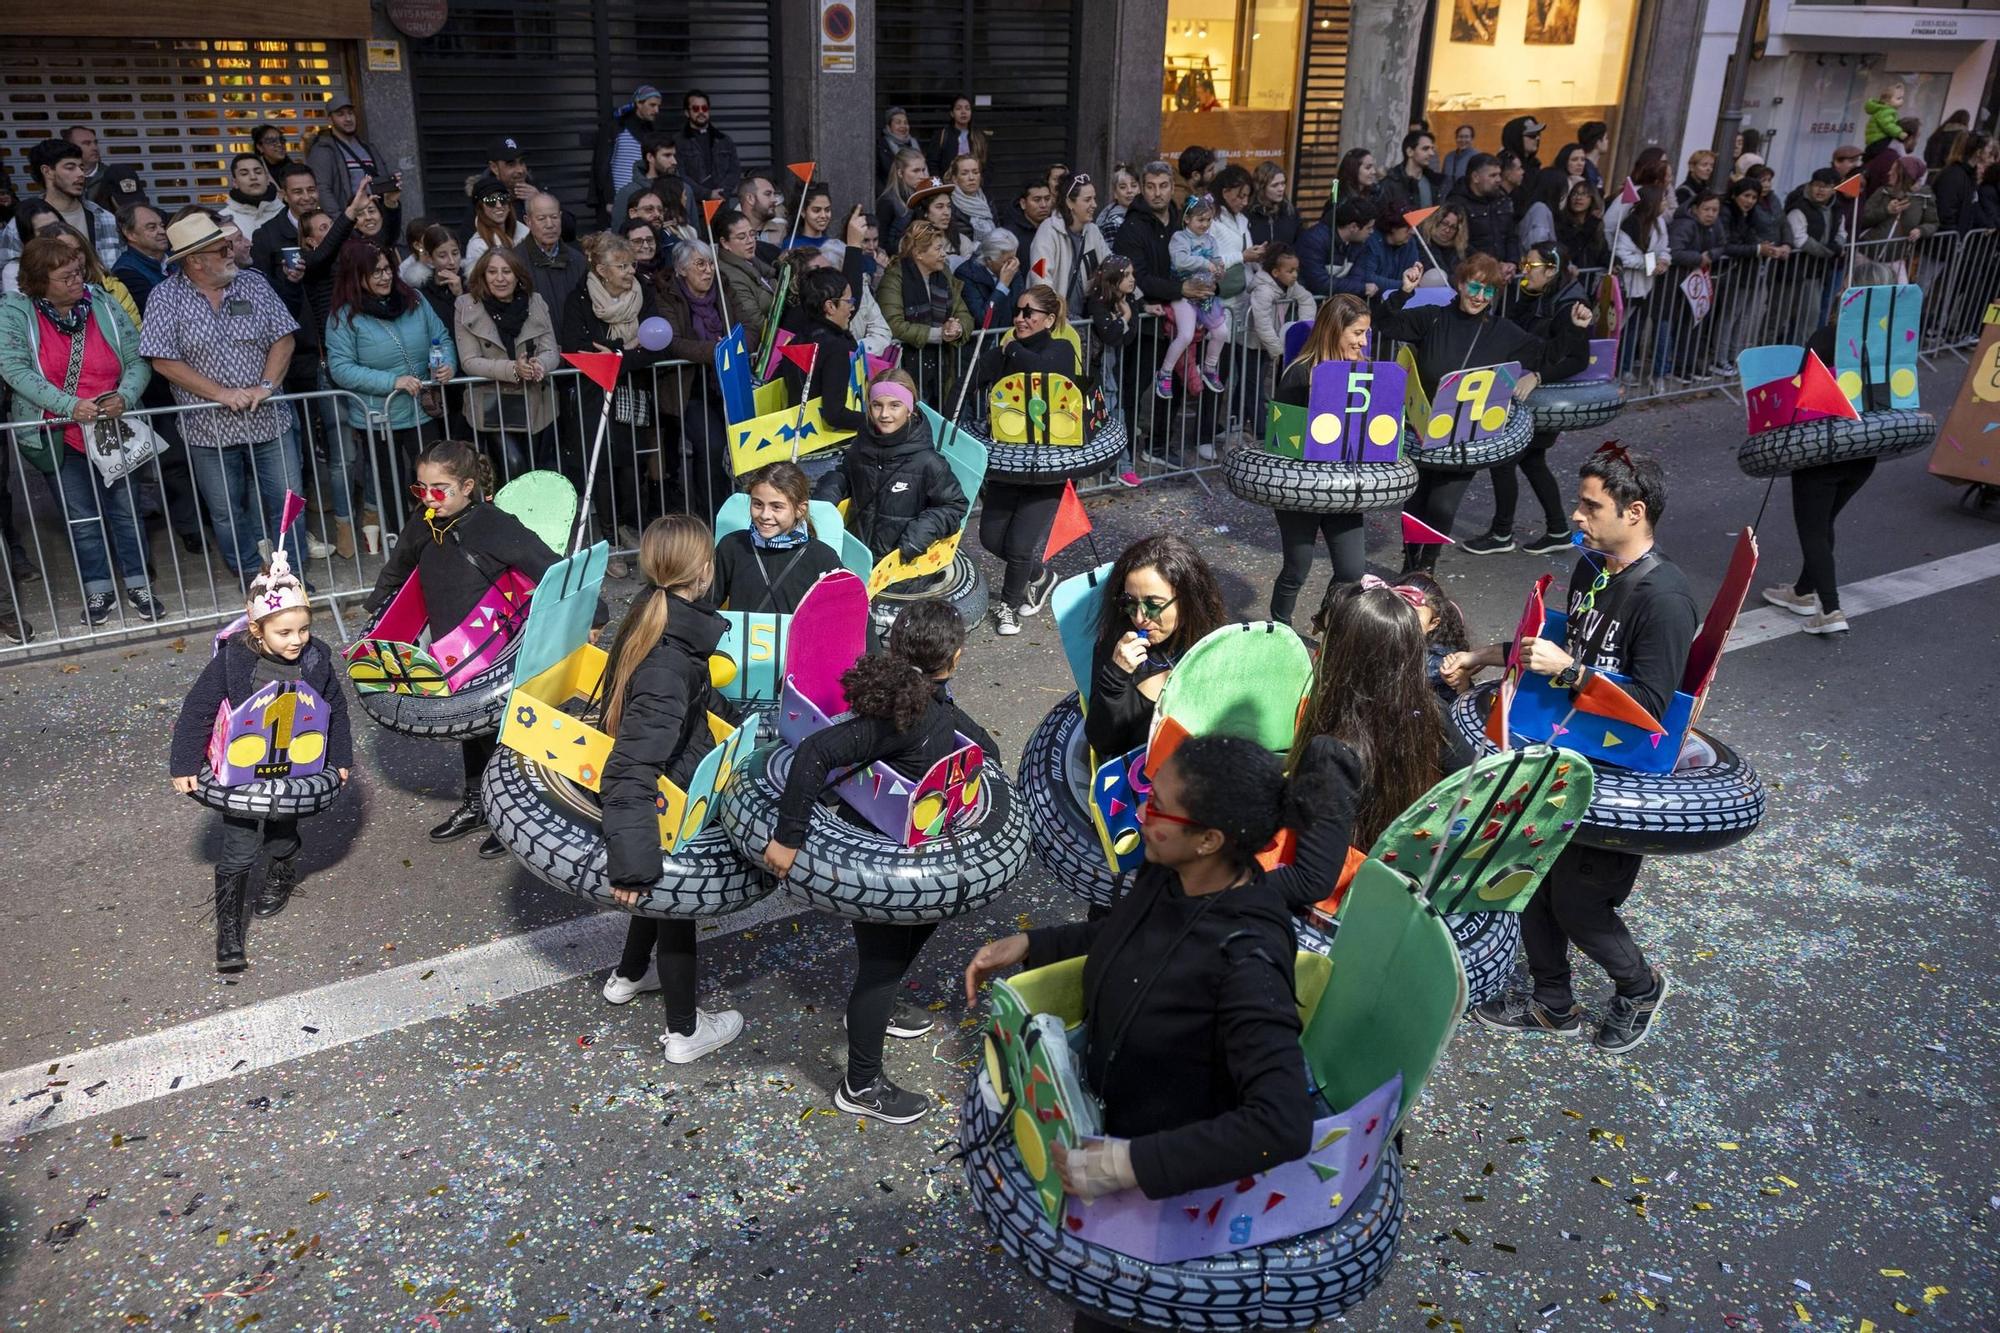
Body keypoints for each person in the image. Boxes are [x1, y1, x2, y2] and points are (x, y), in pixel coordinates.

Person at [960, 732, 1363, 1318]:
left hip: (1171, 1200)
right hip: (1110, 1131)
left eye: (1158, 806)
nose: (1141, 811)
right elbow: (1124, 938)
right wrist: (1030, 943)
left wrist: (1128, 1165)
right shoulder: (1167, 873)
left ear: (1209, 839)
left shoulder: (1247, 955)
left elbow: (1280, 1123)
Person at [1451, 444, 1688, 1053]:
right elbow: (1551, 645)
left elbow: (1653, 708)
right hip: (1560, 752)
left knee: (1581, 904)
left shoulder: (1663, 599)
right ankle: (1553, 1001)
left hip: (1618, 772)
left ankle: (1639, 986)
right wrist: (1485, 656)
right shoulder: (1591, 568)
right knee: (1529, 878)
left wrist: (1571, 675)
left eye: (1591, 506)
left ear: (1634, 513)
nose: (1576, 517)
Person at [749, 600, 984, 1120]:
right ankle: (860, 1085)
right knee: (880, 968)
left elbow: (961, 727)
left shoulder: (928, 698)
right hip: (881, 860)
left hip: (921, 847)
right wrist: (790, 837)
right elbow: (814, 753)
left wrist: (981, 751)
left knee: (912, 937)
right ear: (956, 656)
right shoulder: (904, 717)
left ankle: (881, 1010)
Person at [593, 514, 746, 1062]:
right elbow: (631, 765)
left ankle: (631, 973)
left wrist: (744, 721)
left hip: (673, 771)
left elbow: (694, 699)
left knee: (663, 896)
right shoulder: (667, 658)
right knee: (673, 898)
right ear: (703, 571)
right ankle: (684, 1032)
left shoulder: (657, 616)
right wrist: (632, 863)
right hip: (669, 791)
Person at [364, 440, 561, 858]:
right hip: (449, 651)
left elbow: (546, 565)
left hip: (494, 649)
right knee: (468, 731)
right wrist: (374, 628)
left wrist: (592, 616)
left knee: (502, 735)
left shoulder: (494, 524)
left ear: (468, 485)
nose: (429, 498)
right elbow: (397, 570)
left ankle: (511, 816)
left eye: (440, 489)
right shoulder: (424, 520)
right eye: (421, 489)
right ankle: (477, 806)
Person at [169, 548, 352, 971]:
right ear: (256, 628)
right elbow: (198, 709)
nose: (296, 640)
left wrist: (340, 756)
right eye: (285, 632)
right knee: (238, 847)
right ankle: (229, 932)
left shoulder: (316, 658)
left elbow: (335, 708)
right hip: (242, 771)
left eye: (304, 629)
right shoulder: (234, 660)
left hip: (293, 768)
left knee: (282, 837)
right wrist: (183, 764)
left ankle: (283, 871)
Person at [1371, 254, 1591, 571]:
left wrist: (1575, 328)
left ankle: (1426, 569)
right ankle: (1409, 564)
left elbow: (1547, 354)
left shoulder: (1504, 332)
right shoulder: (1432, 318)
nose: (1478, 297)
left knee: (1442, 505)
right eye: (1474, 287)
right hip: (1421, 430)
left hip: (1465, 436)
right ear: (1461, 284)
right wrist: (1404, 291)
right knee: (1416, 501)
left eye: (1487, 291)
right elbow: (1383, 324)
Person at [0, 236, 162, 625]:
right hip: (58, 432)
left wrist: (125, 395)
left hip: (113, 426)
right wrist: (70, 407)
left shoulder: (102, 302)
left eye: (78, 272)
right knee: (81, 517)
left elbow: (137, 357)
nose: (78, 281)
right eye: (66, 277)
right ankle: (98, 589)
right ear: (39, 282)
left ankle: (139, 584)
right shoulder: (14, 311)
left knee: (126, 510)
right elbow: (13, 368)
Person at [140, 213, 305, 583]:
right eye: (222, 248)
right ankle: (250, 576)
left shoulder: (254, 285)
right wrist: (221, 394)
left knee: (287, 504)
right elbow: (162, 360)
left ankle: (289, 576)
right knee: (226, 510)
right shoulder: (165, 297)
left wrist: (265, 386)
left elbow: (284, 338)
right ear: (195, 259)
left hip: (269, 420)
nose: (232, 251)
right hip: (206, 428)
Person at [1296, 579, 1470, 847]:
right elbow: (1474, 778)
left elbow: (1315, 875)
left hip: (1355, 866)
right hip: (1404, 857)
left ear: (1341, 654)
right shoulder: (1432, 710)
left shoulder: (1331, 748)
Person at [1758, 314, 1886, 637]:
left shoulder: (1828, 337)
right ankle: (1803, 591)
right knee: (1823, 521)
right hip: (1865, 449)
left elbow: (1803, 385)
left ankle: (1830, 609)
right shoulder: (1887, 340)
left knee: (1814, 528)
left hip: (1823, 449)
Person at [1461, 243, 1592, 557]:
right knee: (1532, 461)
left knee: (1505, 460)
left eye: (1531, 266)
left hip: (1539, 398)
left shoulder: (1570, 305)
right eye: (1524, 263)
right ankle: (1558, 529)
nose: (1525, 270)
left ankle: (1502, 533)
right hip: (1523, 395)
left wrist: (1538, 377)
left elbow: (1577, 358)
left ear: (1550, 270)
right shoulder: (1536, 295)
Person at [560, 233, 676, 559]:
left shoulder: (644, 292)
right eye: (621, 266)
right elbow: (576, 347)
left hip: (631, 394)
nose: (629, 272)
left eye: (631, 265)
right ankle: (609, 540)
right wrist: (626, 348)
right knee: (603, 467)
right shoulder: (579, 300)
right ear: (600, 269)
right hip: (593, 396)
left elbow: (659, 344)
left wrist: (617, 355)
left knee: (629, 464)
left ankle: (627, 529)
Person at [969, 285, 1077, 634]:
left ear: (1048, 318)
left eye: (1028, 313)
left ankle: (1009, 607)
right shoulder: (1007, 351)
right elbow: (970, 378)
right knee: (990, 537)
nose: (1018, 318)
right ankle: (1040, 576)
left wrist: (1011, 348)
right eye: (1016, 311)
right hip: (1008, 465)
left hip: (1047, 467)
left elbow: (1040, 368)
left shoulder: (1060, 349)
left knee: (1018, 544)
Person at [1263, 294, 1374, 620]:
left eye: (1365, 333)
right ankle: (1278, 633)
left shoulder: (1363, 373)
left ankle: (1326, 622)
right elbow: (1283, 438)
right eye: (1357, 333)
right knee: (1297, 568)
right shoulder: (1298, 374)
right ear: (1333, 330)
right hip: (1300, 488)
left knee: (1352, 571)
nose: (1363, 342)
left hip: (1343, 485)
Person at [325, 238, 456, 503]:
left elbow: (440, 335)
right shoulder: (343, 316)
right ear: (356, 276)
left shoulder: (414, 299)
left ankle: (438, 536)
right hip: (379, 416)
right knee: (391, 485)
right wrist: (392, 381)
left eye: (387, 269)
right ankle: (401, 537)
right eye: (375, 272)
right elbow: (341, 368)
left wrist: (448, 364)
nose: (385, 277)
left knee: (435, 479)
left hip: (423, 410)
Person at [813, 364, 966, 584]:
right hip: (858, 556)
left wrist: (917, 536)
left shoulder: (928, 461)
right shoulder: (862, 443)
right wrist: (824, 501)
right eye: (877, 405)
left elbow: (954, 505)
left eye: (895, 405)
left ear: (910, 408)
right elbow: (846, 474)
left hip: (902, 566)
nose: (884, 414)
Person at [1082, 532, 1226, 759]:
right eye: (1129, 603)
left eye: (1152, 605)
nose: (1139, 617)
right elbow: (1102, 743)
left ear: (1188, 599)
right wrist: (1115, 676)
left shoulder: (1215, 641)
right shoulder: (1116, 646)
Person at [454, 247, 558, 481]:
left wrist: (540, 364)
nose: (499, 278)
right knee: (512, 465)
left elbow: (551, 349)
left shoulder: (536, 302)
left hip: (536, 401)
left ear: (518, 275)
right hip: (493, 405)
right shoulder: (466, 305)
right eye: (492, 272)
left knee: (537, 470)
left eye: (506, 271)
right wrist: (513, 369)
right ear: (482, 275)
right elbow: (469, 361)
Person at [710, 460, 841, 613]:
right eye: (757, 504)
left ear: (800, 509)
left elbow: (854, 613)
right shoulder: (732, 547)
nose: (765, 515)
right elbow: (704, 604)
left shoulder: (822, 558)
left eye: (776, 507)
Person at [876, 220, 972, 396]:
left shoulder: (945, 275)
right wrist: (938, 334)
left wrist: (957, 329)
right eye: (938, 249)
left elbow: (963, 313)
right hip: (906, 368)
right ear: (919, 253)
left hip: (942, 367)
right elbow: (893, 324)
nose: (944, 254)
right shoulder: (894, 279)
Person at [0, 140, 122, 270]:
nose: (81, 174)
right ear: (47, 171)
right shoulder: (19, 224)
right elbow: (10, 277)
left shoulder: (105, 219)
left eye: (81, 167)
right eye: (70, 167)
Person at [1159, 196, 1229, 398]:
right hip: (1184, 294)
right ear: (1187, 219)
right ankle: (1164, 373)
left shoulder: (1211, 240)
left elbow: (1216, 260)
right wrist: (1205, 263)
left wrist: (1219, 270)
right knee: (1186, 335)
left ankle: (1209, 368)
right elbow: (1180, 261)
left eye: (1208, 220)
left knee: (1222, 332)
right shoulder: (1179, 238)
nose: (1205, 224)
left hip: (1205, 294)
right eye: (1200, 220)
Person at [1030, 170, 1108, 317]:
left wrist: (1139, 300)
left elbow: (1110, 265)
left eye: (1094, 199)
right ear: (1069, 202)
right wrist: (1055, 312)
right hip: (1052, 319)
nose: (1094, 205)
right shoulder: (1048, 231)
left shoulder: (1093, 231)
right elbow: (1040, 274)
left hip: (1082, 318)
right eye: (1087, 200)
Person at [1615, 185, 1672, 377]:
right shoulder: (1630, 224)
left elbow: (1664, 247)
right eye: (1663, 200)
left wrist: (1664, 260)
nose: (1666, 203)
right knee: (1619, 328)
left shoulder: (1659, 222)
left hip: (1646, 286)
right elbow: (1623, 255)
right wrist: (1650, 264)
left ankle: (1625, 367)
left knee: (1635, 329)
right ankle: (1614, 368)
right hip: (1628, 285)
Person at [1396, 568, 1472, 711]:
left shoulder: (1441, 664)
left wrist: (1462, 686)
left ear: (1433, 624)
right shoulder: (1374, 637)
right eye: (1400, 609)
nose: (1405, 619)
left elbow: (1456, 713)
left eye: (1414, 615)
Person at [710, 207, 779, 356]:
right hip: (764, 348)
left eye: (752, 234)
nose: (750, 241)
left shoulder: (752, 261)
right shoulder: (729, 275)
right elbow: (755, 321)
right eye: (741, 237)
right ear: (725, 243)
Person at [1246, 242, 1315, 379]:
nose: (1295, 275)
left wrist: (1303, 328)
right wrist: (1279, 351)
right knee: (1252, 382)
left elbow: (1306, 299)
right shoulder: (1263, 291)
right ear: (1275, 272)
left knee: (1261, 379)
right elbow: (1263, 324)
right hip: (1253, 344)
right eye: (1290, 271)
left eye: (1296, 270)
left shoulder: (1291, 285)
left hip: (1270, 342)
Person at [305, 101, 385, 215]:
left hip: (375, 218)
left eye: (350, 113)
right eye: (340, 114)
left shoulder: (367, 147)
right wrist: (341, 222)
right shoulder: (323, 149)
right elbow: (322, 189)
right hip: (349, 221)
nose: (348, 118)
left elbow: (382, 179)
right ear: (330, 119)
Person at [1448, 154, 1521, 271]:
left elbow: (1511, 236)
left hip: (1504, 272)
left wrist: (1512, 263)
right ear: (1476, 177)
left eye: (1499, 174)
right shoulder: (1457, 203)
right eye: (1492, 175)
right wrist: (1492, 265)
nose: (1498, 180)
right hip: (1473, 272)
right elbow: (1460, 242)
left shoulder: (1502, 200)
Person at [1296, 195, 1378, 298]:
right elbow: (1318, 282)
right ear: (1353, 227)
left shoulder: (1360, 244)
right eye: (1369, 228)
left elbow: (1357, 278)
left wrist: (1356, 287)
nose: (1372, 232)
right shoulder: (1314, 240)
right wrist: (1361, 288)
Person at [613, 132, 697, 231]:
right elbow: (618, 236)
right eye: (667, 155)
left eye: (674, 155)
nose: (674, 161)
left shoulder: (685, 189)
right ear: (650, 157)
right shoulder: (628, 193)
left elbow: (694, 232)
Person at [676, 88, 743, 202]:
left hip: (722, 203)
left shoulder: (724, 140)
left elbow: (735, 170)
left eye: (705, 108)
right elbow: (679, 174)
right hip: (694, 205)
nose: (701, 112)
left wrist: (722, 193)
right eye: (696, 109)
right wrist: (707, 194)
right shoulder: (678, 142)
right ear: (687, 113)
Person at [63, 124, 145, 214]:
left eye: (95, 142)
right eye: (86, 143)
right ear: (70, 147)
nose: (94, 148)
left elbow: (133, 211)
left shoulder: (113, 175)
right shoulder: (62, 178)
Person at [955, 227, 1022, 329]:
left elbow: (1018, 309)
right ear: (989, 260)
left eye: (1013, 258)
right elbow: (983, 320)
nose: (1012, 264)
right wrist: (1002, 286)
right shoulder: (966, 274)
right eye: (1005, 261)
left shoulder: (1012, 270)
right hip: (982, 341)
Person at [463, 175, 530, 275]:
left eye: (503, 199)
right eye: (491, 201)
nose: (499, 206)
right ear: (480, 208)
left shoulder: (526, 233)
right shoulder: (478, 246)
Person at [400, 224, 465, 327]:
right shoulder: (422, 290)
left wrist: (460, 295)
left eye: (455, 253)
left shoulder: (472, 282)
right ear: (429, 258)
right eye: (442, 256)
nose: (452, 261)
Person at [606, 84, 663, 200]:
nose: (656, 110)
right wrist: (609, 199)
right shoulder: (618, 128)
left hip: (645, 199)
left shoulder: (652, 132)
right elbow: (603, 166)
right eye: (652, 105)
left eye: (658, 106)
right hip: (620, 198)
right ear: (639, 103)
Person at [1934, 134, 1996, 232]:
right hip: (1946, 240)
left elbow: (1973, 206)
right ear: (1978, 152)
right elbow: (1946, 211)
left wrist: (1987, 224)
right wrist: (1953, 238)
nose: (1991, 154)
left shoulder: (1971, 176)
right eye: (1989, 149)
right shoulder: (1953, 175)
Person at [1357, 209, 1423, 295]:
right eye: (1408, 227)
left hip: (1400, 298)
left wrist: (1411, 281)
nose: (1413, 232)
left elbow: (1413, 272)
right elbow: (1368, 277)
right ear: (1394, 227)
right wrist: (1404, 285)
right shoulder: (1371, 241)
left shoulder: (1410, 243)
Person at [222, 154, 284, 240]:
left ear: (267, 178)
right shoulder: (224, 220)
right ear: (235, 183)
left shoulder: (287, 213)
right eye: (244, 174)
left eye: (258, 172)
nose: (253, 177)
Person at [1552, 180, 1610, 271]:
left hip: (1586, 280)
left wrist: (1614, 262)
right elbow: (1571, 249)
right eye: (1575, 194)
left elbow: (1602, 252)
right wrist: (1590, 226)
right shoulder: (1561, 222)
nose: (1578, 198)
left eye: (1584, 194)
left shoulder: (1595, 224)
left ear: (1592, 199)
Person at [1383, 129, 1446, 212]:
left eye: (1432, 149)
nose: (1431, 153)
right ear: (1410, 152)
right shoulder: (1391, 183)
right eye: (1425, 149)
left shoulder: (1435, 183)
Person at [927, 96, 991, 177]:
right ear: (952, 113)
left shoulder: (979, 136)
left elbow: (988, 165)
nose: (963, 112)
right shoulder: (942, 135)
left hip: (974, 186)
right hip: (948, 186)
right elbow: (932, 163)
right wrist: (940, 185)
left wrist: (981, 184)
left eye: (967, 109)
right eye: (958, 108)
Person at [877, 148, 930, 245]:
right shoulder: (888, 201)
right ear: (900, 173)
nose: (922, 176)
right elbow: (881, 243)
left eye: (923, 170)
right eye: (915, 171)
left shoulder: (923, 198)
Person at [945, 153, 997, 246]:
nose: (971, 178)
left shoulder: (987, 199)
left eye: (975, 172)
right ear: (955, 179)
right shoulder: (948, 203)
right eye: (964, 173)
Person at [1246, 163, 1300, 249]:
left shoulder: (1291, 213)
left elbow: (1299, 244)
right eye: (1275, 185)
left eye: (1283, 183)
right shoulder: (1248, 214)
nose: (1281, 189)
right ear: (1261, 188)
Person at [998, 177, 1054, 255]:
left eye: (1047, 199)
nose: (1043, 205)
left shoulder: (1058, 228)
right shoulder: (1009, 236)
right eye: (1037, 200)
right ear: (1023, 204)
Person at [1419, 200, 1471, 276]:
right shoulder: (1420, 242)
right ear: (1435, 221)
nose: (1447, 230)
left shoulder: (1461, 249)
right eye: (1444, 223)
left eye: (1453, 227)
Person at [878, 107, 922, 189]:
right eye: (898, 122)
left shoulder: (914, 144)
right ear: (888, 127)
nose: (903, 126)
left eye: (905, 123)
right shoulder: (881, 146)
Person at [1097, 164, 1141, 244]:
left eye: (1134, 186)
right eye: (1123, 187)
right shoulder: (1112, 224)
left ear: (1139, 190)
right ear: (1115, 193)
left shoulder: (1146, 216)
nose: (1129, 191)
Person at [1863, 80, 1907, 158]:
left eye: (1902, 98)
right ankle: (1905, 160)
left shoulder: (1883, 110)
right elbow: (1887, 124)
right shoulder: (1886, 111)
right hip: (1878, 139)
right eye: (1898, 98)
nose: (1902, 101)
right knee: (1898, 145)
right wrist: (1899, 133)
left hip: (1875, 139)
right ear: (1887, 101)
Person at [1442, 125, 1479, 190]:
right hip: (1447, 196)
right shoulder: (1449, 157)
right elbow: (1443, 178)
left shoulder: (1477, 157)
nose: (1463, 140)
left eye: (1466, 137)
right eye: (1460, 137)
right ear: (1456, 138)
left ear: (1472, 139)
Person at [1578, 121, 1609, 191]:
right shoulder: (1585, 169)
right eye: (1606, 138)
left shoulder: (1592, 168)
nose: (1607, 142)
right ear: (1598, 143)